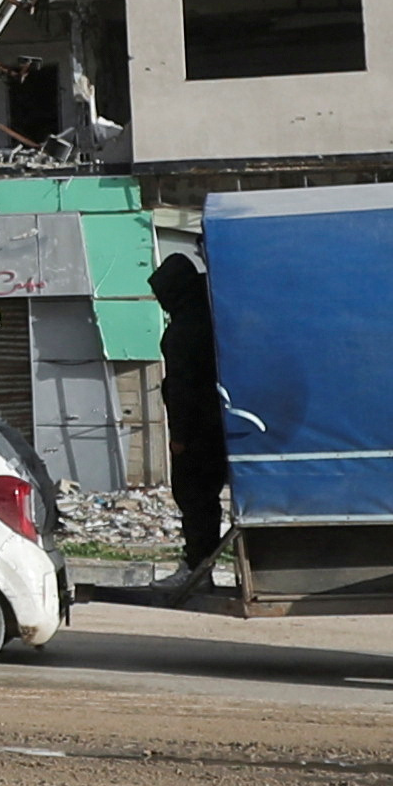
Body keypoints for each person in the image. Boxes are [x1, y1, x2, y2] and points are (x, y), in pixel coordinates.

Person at [150, 249, 231, 592]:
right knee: (206, 501)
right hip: (219, 426)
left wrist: (179, 434)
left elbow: (184, 386)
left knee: (195, 499)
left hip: (198, 432)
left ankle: (198, 568)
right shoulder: (210, 317)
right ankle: (201, 564)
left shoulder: (186, 328)